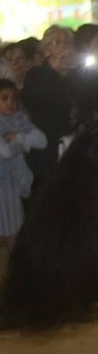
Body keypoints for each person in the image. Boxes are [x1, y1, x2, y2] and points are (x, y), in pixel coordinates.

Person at [21, 26, 77, 191]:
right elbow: (32, 99)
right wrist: (53, 69)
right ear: (46, 51)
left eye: (67, 42)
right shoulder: (35, 74)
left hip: (74, 145)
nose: (64, 47)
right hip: (47, 148)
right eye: (57, 43)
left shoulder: (78, 73)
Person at [0, 78, 46, 250]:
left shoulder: (20, 120)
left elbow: (42, 141)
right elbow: (5, 151)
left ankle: (15, 274)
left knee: (14, 231)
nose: (10, 103)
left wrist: (17, 137)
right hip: (3, 181)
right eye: (4, 98)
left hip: (11, 184)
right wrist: (24, 141)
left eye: (13, 98)